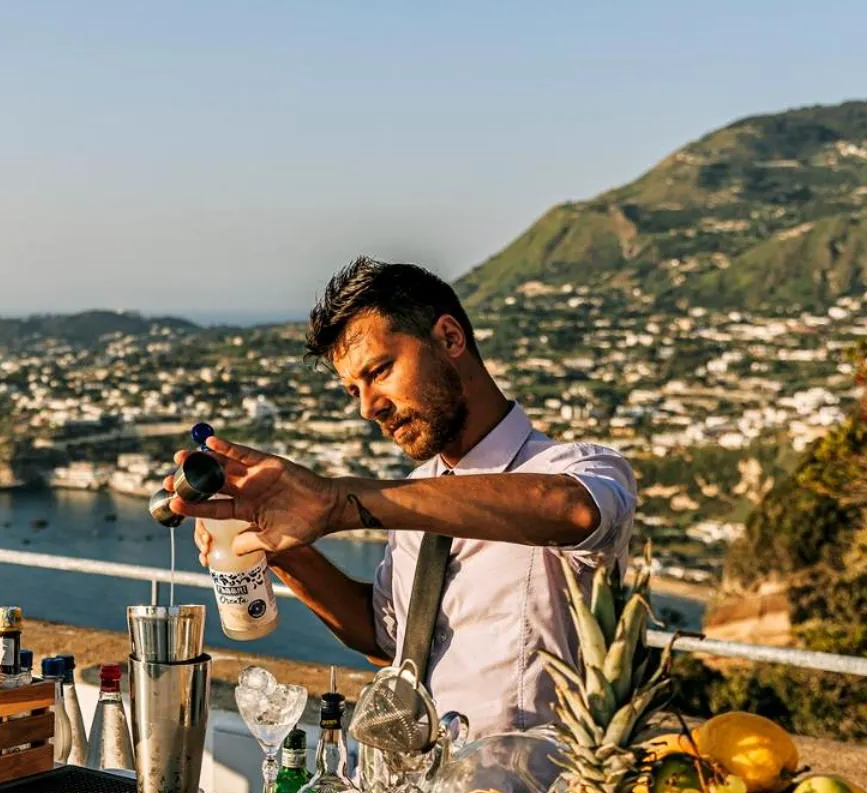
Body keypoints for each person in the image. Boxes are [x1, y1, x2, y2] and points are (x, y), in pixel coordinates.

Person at [169, 257, 637, 736]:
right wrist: (279, 547)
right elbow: (385, 639)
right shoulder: (410, 493)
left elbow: (572, 510)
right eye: (354, 390)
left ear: (450, 338)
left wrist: (338, 503)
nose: (369, 407)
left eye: (381, 371)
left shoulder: (578, 468)